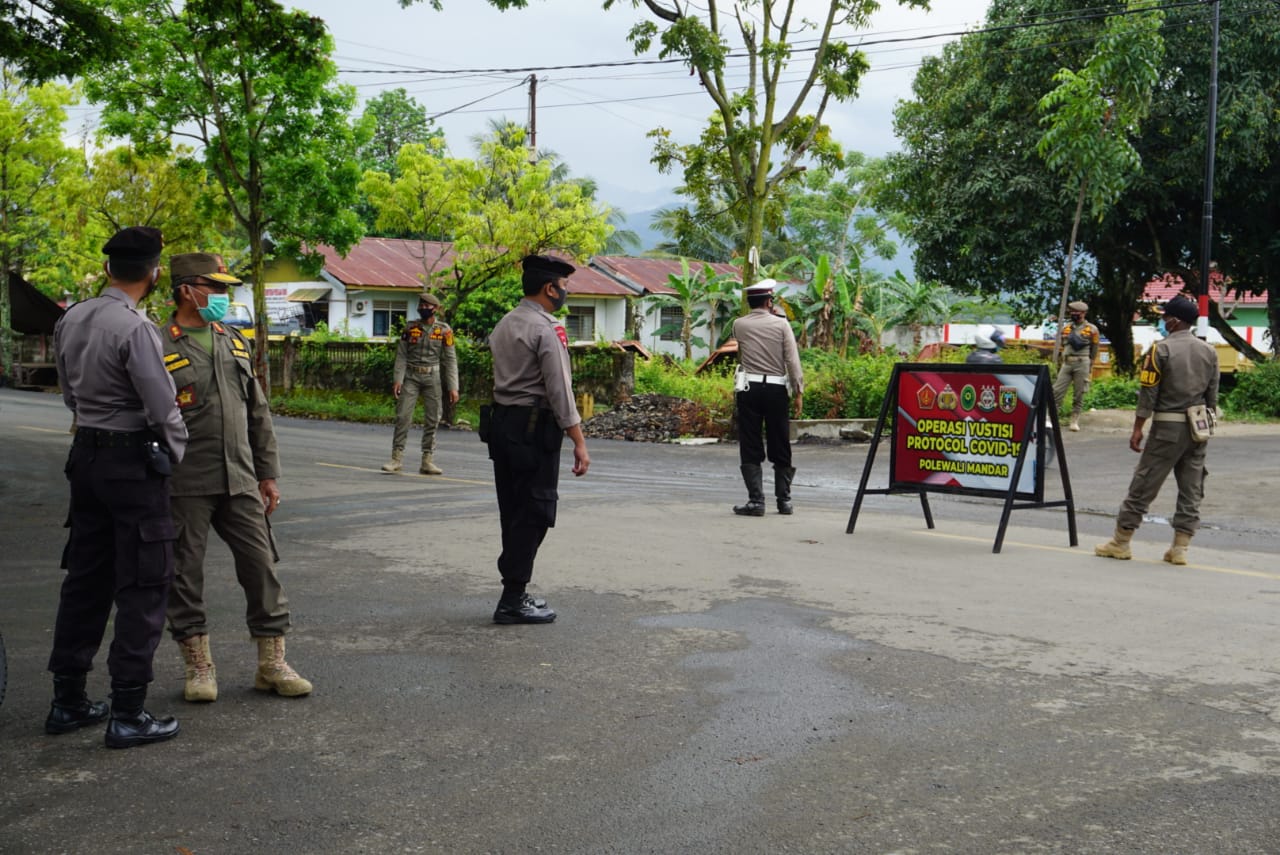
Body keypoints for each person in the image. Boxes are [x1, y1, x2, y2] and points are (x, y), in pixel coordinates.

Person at [47, 226, 188, 749]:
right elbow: (162, 406)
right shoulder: (137, 329)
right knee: (144, 582)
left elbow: (68, 393)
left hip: (86, 456)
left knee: (86, 577)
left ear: (108, 269)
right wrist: (174, 453)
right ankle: (128, 712)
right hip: (131, 462)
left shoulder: (72, 317)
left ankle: (68, 700)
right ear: (154, 274)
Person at [160, 252, 312, 702]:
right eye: (215, 288)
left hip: (241, 476)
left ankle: (272, 664)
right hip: (185, 480)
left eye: (225, 289)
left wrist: (268, 474)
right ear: (187, 290)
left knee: (261, 566)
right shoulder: (157, 343)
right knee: (184, 574)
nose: (223, 296)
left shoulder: (233, 340)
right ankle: (199, 666)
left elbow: (257, 411)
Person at [482, 254, 590, 624]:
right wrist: (578, 440)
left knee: (513, 509)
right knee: (536, 511)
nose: (566, 292)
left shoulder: (505, 322)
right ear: (550, 289)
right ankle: (512, 598)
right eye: (564, 286)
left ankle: (515, 591)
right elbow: (559, 389)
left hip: (503, 424)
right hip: (532, 428)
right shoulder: (546, 329)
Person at [1095, 296, 1218, 565]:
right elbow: (1212, 396)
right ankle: (1180, 548)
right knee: (1192, 487)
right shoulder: (1209, 351)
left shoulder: (1160, 350)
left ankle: (1121, 542)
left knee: (1145, 482)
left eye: (1165, 317)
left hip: (1167, 428)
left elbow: (1148, 393)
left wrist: (1138, 428)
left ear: (1174, 321)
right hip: (1198, 428)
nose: (1163, 320)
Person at [731, 279, 804, 516]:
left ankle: (756, 501)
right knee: (780, 441)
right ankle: (784, 501)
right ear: (769, 301)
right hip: (776, 389)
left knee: (750, 441)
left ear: (750, 302)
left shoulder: (739, 325)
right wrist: (798, 391)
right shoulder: (782, 325)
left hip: (748, 389)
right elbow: (792, 360)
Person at [381, 291, 459, 475]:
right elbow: (401, 355)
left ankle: (427, 460)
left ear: (435, 308)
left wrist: (453, 387)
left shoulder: (444, 330)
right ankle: (396, 459)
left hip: (433, 377)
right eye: (421, 305)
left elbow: (450, 359)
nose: (423, 308)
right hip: (411, 376)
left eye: (427, 306)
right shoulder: (410, 328)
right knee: (403, 416)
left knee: (433, 418)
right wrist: (398, 379)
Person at [1052, 300, 1101, 431]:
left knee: (1079, 393)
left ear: (1083, 313)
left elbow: (1095, 347)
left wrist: (1091, 363)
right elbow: (1063, 344)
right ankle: (1052, 417)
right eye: (1072, 312)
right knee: (1057, 391)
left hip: (1082, 362)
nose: (1073, 314)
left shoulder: (1092, 329)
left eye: (1076, 312)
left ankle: (1074, 419)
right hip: (1067, 362)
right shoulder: (1066, 328)